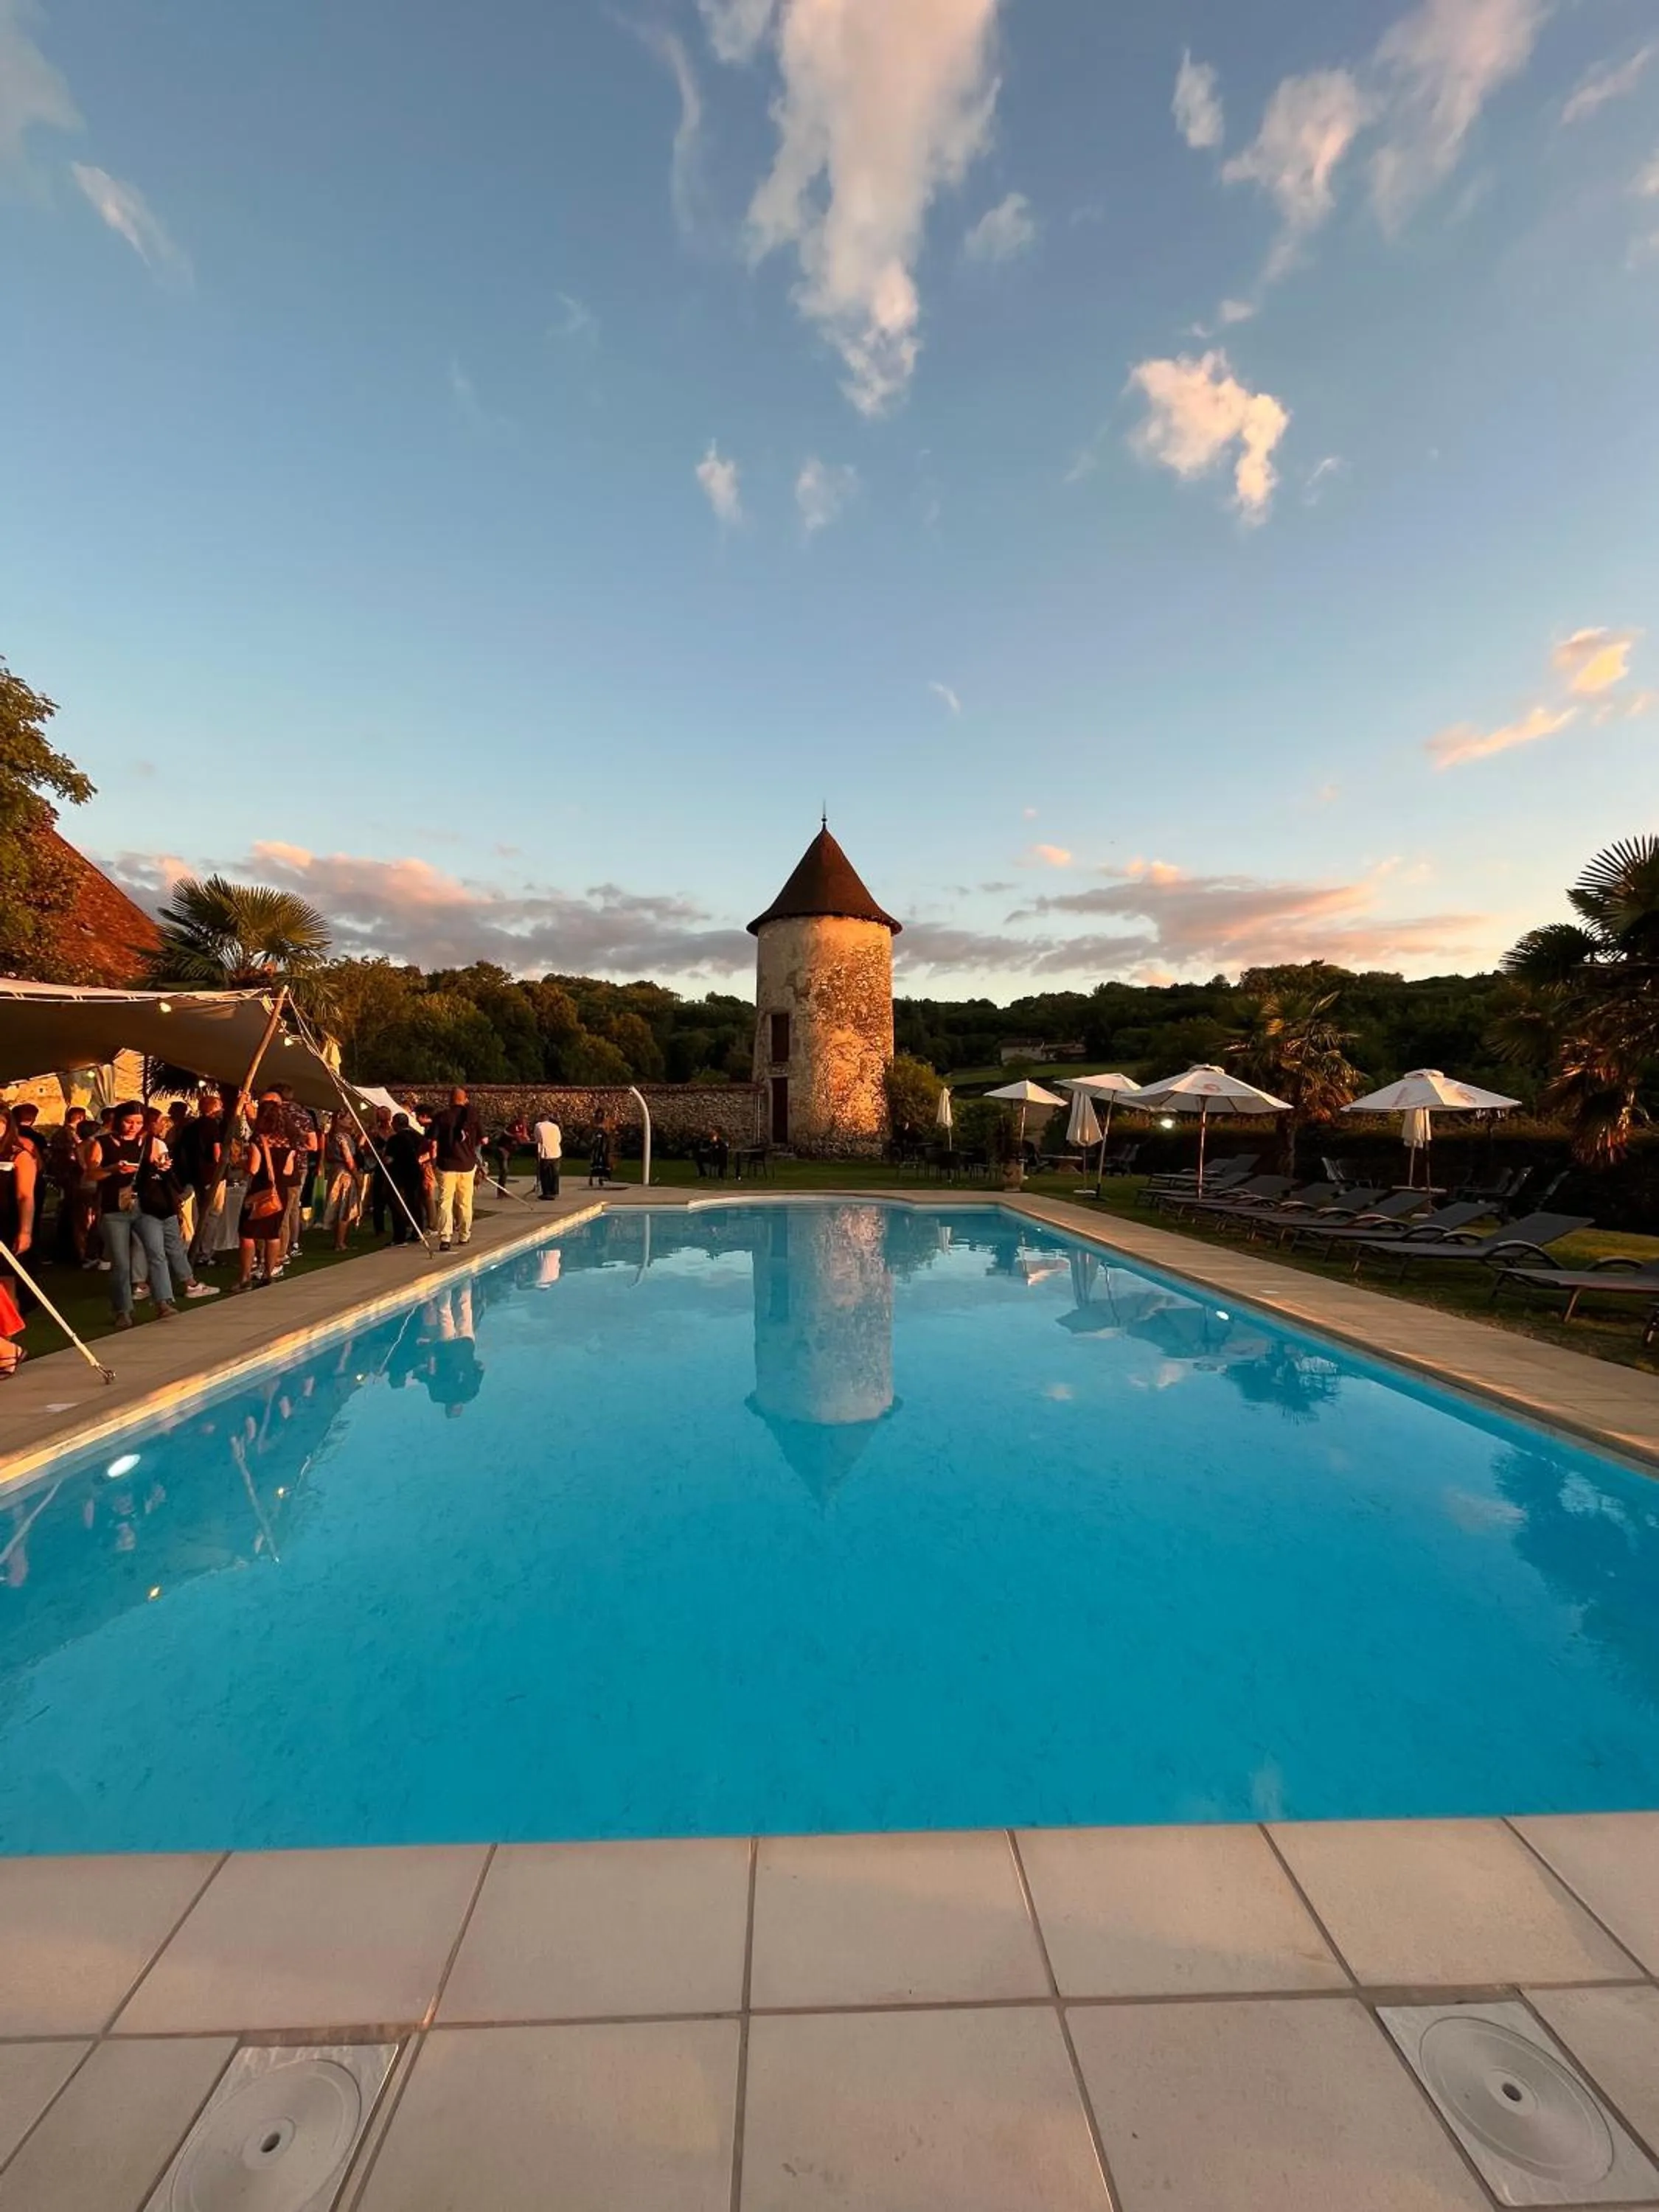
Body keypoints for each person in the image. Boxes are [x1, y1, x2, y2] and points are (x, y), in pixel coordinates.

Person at [88, 1100, 177, 1326]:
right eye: (129, 1122)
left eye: (138, 1122)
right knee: (121, 1262)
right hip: (114, 1207)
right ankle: (123, 1310)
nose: (133, 1127)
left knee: (156, 1254)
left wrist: (162, 1166)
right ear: (119, 1120)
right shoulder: (102, 1143)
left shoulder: (150, 1142)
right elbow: (91, 1174)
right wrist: (113, 1169)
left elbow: (162, 1166)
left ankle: (163, 1302)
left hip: (146, 1205)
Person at [234, 1099, 297, 1292]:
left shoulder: (259, 1139)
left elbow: (253, 1167)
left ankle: (245, 1278)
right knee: (273, 1234)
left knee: (247, 1233)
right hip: (281, 1192)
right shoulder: (289, 1140)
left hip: (261, 1191)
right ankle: (269, 1275)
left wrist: (238, 1162)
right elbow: (288, 1170)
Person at [431, 1086, 483, 1251]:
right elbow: (484, 1140)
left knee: (445, 1201)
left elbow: (433, 1141)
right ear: (465, 1099)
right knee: (465, 1201)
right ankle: (464, 1234)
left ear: (449, 1099)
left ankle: (445, 1237)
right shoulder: (473, 1118)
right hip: (467, 1164)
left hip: (446, 1164)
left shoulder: (441, 1117)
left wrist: (433, 1161)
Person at [0, 1103, 40, 1320]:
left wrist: (25, 1231)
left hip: (7, 1224)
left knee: (6, 1283)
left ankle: (8, 1344)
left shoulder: (18, 1155)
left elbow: (25, 1196)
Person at [383, 1113, 428, 1245]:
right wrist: (420, 1161)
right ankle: (418, 1231)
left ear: (396, 1124)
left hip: (399, 1175)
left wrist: (383, 1156)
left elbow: (389, 1159)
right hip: (415, 1172)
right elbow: (427, 1152)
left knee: (398, 1205)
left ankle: (400, 1236)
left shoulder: (395, 1139)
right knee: (415, 1203)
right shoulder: (418, 1137)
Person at [321, 1111, 361, 1251]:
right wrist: (356, 1175)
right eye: (348, 1118)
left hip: (335, 1170)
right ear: (339, 1120)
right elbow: (349, 1158)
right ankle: (340, 1242)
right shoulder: (343, 1137)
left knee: (337, 1203)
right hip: (345, 1173)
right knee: (345, 1205)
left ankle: (338, 1240)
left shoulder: (330, 1137)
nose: (351, 1121)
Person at [532, 1107, 563, 1200]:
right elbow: (559, 1139)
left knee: (545, 1173)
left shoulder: (538, 1126)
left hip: (545, 1153)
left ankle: (547, 1192)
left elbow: (538, 1139)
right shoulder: (555, 1127)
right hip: (556, 1152)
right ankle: (555, 1191)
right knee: (555, 1173)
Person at [588, 1122, 613, 1187]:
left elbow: (607, 1143)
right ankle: (592, 1179)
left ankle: (600, 1179)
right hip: (597, 1152)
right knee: (594, 1165)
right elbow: (592, 1142)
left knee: (601, 1166)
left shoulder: (605, 1135)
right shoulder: (596, 1135)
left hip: (602, 1153)